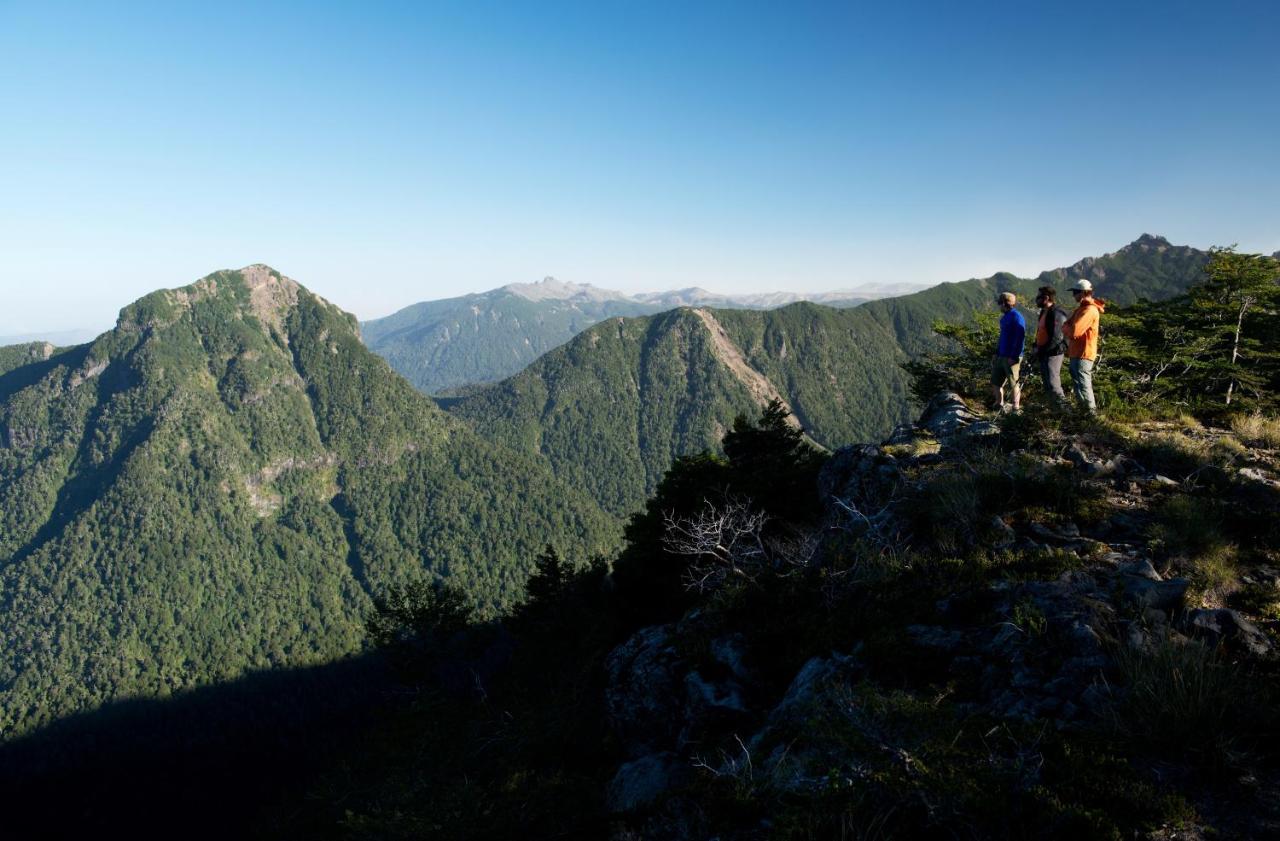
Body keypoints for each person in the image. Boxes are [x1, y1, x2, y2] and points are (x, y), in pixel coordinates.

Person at [1063, 278, 1105, 413]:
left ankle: (1090, 414)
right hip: (1077, 352)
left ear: (1083, 293)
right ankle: (1084, 412)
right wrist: (1067, 327)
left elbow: (1074, 331)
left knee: (1083, 383)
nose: (1073, 295)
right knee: (1078, 383)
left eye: (1075, 292)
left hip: (1084, 353)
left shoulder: (1089, 310)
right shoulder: (1082, 309)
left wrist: (1065, 328)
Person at [1032, 285, 1069, 405]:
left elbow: (1056, 337)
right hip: (1044, 352)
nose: (1036, 299)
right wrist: (1036, 346)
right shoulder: (1044, 312)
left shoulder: (1056, 313)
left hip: (1053, 353)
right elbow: (1041, 331)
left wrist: (1041, 350)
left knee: (1053, 384)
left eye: (1038, 297)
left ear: (1046, 298)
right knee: (1047, 384)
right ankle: (1054, 412)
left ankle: (1064, 411)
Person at [991, 291, 1026, 412]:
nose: (999, 306)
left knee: (1013, 383)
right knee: (996, 380)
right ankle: (999, 403)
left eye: (1000, 303)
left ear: (1005, 303)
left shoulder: (1017, 317)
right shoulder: (1005, 317)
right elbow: (1002, 337)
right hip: (1002, 355)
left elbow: (1020, 338)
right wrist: (997, 352)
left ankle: (1015, 407)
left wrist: (1014, 356)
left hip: (1011, 356)